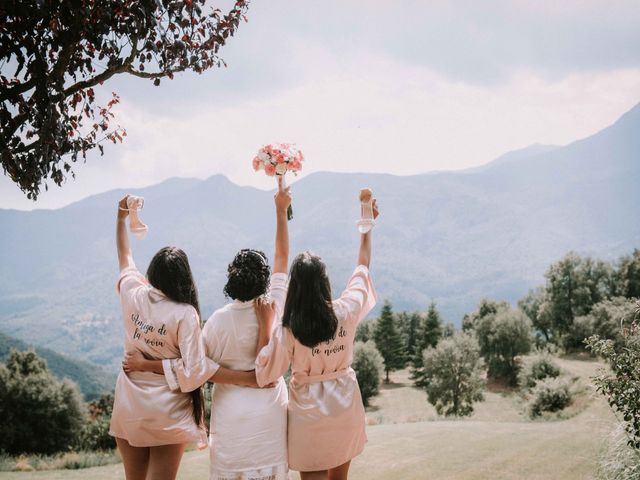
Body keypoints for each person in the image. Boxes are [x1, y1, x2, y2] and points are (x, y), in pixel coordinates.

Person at [124, 182, 292, 479]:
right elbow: (282, 257)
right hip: (269, 418)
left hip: (230, 418)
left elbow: (199, 369)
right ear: (264, 280)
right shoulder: (275, 306)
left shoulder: (215, 322)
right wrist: (280, 211)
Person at [254, 189, 379, 480]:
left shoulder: (289, 328)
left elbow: (265, 373)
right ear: (326, 282)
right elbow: (362, 266)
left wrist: (264, 328)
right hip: (345, 405)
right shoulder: (346, 311)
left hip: (308, 416)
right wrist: (366, 222)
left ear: (294, 288)